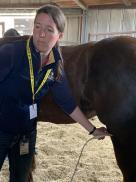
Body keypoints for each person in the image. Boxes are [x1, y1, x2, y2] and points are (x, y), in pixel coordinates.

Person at [0, 4, 110, 182]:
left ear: (60, 36)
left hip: (26, 135)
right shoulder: (11, 53)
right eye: (37, 26)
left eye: (49, 29)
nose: (41, 34)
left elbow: (66, 102)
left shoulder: (55, 65)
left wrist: (93, 130)